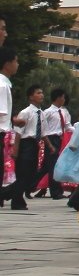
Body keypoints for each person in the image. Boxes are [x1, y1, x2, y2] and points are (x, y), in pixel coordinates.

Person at [37, 88, 73, 198]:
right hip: (50, 139)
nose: (64, 99)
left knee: (46, 167)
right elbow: (42, 127)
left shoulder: (62, 112)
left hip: (59, 139)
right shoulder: (47, 112)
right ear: (58, 98)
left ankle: (29, 185)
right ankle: (55, 192)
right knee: (53, 166)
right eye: (63, 97)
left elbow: (67, 126)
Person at [12, 85, 42, 205]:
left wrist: (49, 146)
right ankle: (12, 196)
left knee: (31, 174)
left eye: (42, 93)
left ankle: (16, 198)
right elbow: (18, 133)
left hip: (35, 144)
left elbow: (43, 132)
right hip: (25, 144)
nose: (41, 95)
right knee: (23, 173)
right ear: (31, 97)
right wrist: (16, 149)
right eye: (38, 93)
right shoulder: (25, 112)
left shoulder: (41, 113)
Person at [0, 47, 15, 209]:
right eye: (15, 61)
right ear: (7, 64)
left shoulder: (5, 84)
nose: (17, 64)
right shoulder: (2, 85)